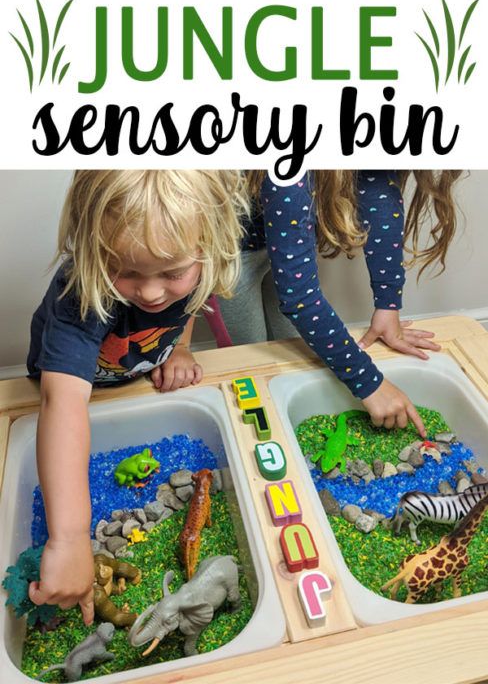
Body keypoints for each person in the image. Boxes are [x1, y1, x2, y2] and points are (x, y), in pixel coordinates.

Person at [26, 169, 248, 629]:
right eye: (124, 271)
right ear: (92, 247)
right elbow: (60, 404)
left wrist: (182, 347)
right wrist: (68, 541)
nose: (149, 291)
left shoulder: (197, 271)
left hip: (136, 375)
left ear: (208, 248)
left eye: (173, 272)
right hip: (72, 384)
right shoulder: (80, 294)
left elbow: (189, 302)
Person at [218, 170, 461, 435]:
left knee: (295, 351)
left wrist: (388, 306)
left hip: (281, 241)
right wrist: (369, 384)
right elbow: (299, 298)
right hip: (229, 254)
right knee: (250, 357)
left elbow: (378, 194)